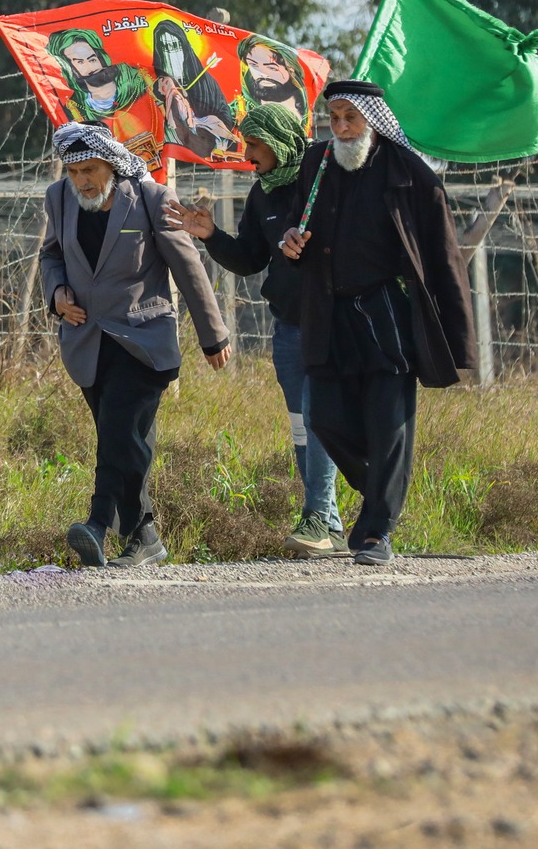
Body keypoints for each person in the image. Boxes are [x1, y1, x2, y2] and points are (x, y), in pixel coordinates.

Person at [277, 79, 475, 566]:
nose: (341, 128)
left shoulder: (410, 174)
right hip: (329, 314)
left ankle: (375, 532)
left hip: (387, 314)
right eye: (334, 118)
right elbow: (297, 226)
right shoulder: (317, 164)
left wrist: (457, 337)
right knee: (325, 418)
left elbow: (444, 258)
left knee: (389, 426)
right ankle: (386, 486)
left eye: (351, 118)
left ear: (373, 121)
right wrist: (291, 244)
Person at [39, 122, 231, 568]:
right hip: (87, 341)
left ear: (110, 163)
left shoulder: (150, 197)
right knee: (127, 441)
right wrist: (56, 294)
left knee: (118, 431)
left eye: (90, 169)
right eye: (74, 172)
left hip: (143, 338)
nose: (83, 180)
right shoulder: (59, 198)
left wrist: (212, 334)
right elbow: (51, 255)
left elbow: (187, 266)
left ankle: (96, 523)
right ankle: (144, 536)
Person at [165, 104, 346, 557]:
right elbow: (249, 260)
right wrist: (210, 236)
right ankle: (333, 527)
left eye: (255, 145)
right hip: (287, 327)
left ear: (280, 141)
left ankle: (316, 518)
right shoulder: (262, 192)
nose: (247, 154)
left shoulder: (324, 177)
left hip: (331, 321)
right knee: (303, 426)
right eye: (246, 144)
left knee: (319, 413)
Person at [45, 29, 160, 163]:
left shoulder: (141, 81)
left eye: (92, 59)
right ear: (70, 70)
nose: (91, 67)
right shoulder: (75, 109)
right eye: (80, 62)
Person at [149, 18, 238, 158]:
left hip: (205, 154)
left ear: (184, 48)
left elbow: (225, 116)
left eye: (175, 46)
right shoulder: (154, 82)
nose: (170, 54)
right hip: (169, 158)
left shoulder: (204, 81)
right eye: (165, 48)